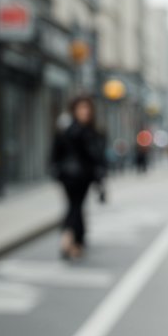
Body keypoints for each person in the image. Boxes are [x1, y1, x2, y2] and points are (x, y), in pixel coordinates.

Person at [49, 94, 106, 259]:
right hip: (69, 176)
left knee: (76, 206)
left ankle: (76, 240)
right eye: (81, 108)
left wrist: (100, 177)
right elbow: (56, 151)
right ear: (74, 110)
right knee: (74, 206)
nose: (85, 112)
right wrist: (55, 169)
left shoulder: (92, 130)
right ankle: (70, 240)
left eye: (87, 108)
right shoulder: (69, 129)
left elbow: (98, 156)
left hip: (84, 177)